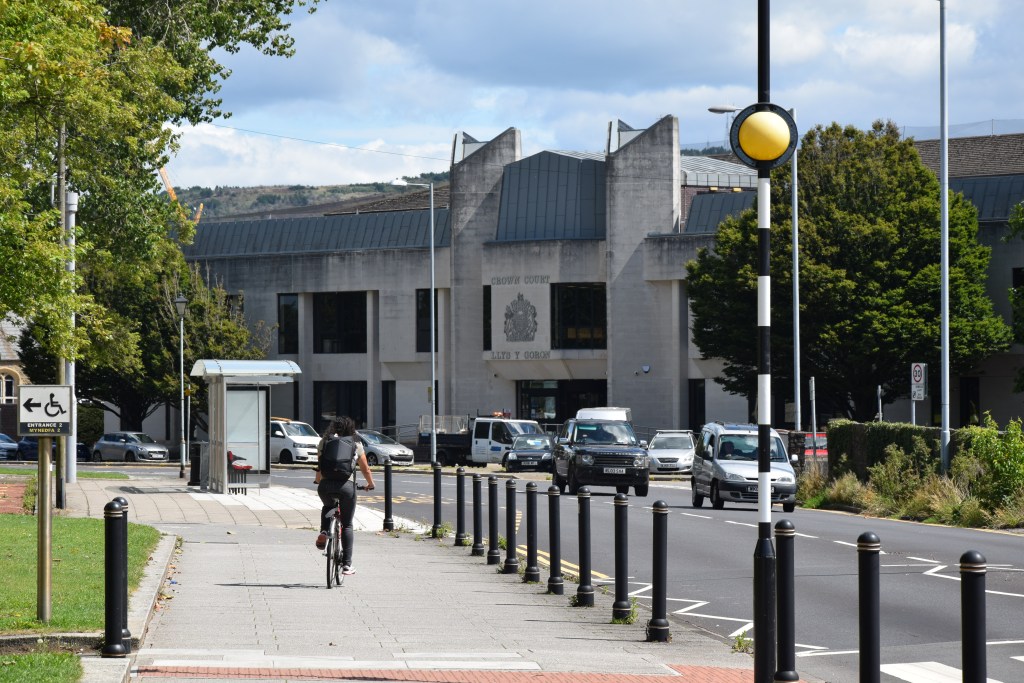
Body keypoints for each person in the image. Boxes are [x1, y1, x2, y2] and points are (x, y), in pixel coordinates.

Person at [314, 416, 375, 575]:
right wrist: (370, 484)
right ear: (351, 429)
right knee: (347, 524)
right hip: (346, 487)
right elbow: (365, 469)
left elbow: (320, 467)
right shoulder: (356, 444)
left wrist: (318, 481)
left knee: (328, 506)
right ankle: (347, 565)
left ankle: (324, 531)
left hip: (325, 486)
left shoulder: (324, 442)